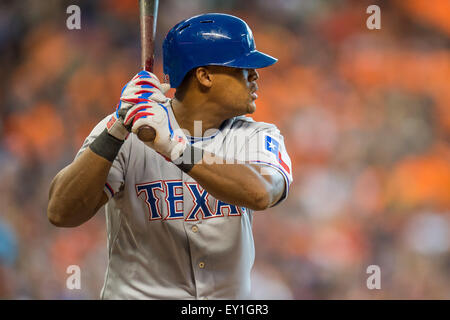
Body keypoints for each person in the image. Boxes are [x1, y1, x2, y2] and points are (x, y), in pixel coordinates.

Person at [47, 13, 293, 300]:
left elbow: (261, 193)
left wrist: (176, 149)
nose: (255, 76)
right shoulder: (129, 128)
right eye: (243, 67)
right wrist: (115, 130)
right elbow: (61, 212)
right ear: (205, 75)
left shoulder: (256, 135)